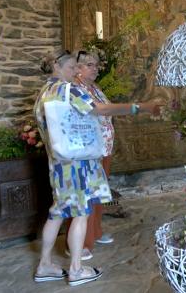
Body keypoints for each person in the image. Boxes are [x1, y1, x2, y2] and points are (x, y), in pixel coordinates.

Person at [33, 50, 160, 286]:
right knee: (81, 214)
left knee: (57, 212)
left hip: (57, 164)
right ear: (57, 68)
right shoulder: (67, 90)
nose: (74, 72)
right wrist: (140, 107)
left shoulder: (43, 93)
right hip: (77, 164)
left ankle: (44, 265)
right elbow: (100, 109)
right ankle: (76, 269)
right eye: (71, 67)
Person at [63, 50, 128, 259]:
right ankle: (79, 244)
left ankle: (95, 232)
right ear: (78, 68)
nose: (95, 68)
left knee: (98, 195)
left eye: (96, 65)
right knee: (85, 198)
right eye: (90, 65)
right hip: (87, 151)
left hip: (102, 149)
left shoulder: (95, 88)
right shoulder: (74, 89)